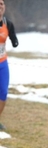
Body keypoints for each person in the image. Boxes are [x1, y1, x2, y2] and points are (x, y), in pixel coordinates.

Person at [0, 0, 18, 130]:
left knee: (3, 93)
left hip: (2, 62)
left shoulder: (8, 24)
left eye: (1, 4)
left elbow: (13, 38)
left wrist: (15, 41)